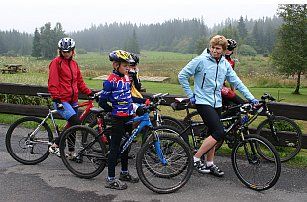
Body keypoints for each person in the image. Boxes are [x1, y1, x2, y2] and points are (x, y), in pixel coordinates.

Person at [178, 35, 258, 177]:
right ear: (210, 47)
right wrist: (191, 94)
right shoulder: (200, 60)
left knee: (212, 134)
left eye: (218, 48)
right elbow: (182, 75)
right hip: (203, 101)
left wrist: (251, 98)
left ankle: (210, 163)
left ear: (223, 50)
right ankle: (196, 158)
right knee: (219, 132)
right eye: (213, 47)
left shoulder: (224, 64)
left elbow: (237, 82)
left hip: (217, 102)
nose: (215, 51)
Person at [99, 50, 148, 190]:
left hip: (128, 116)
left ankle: (124, 173)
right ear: (116, 65)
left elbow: (129, 98)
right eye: (125, 65)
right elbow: (102, 101)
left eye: (129, 65)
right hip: (117, 118)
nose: (128, 67)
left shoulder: (126, 78)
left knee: (126, 144)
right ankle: (110, 179)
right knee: (115, 148)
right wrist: (112, 111)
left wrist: (144, 101)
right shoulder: (110, 81)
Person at [48, 37, 93, 158]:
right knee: (75, 121)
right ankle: (56, 144)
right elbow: (53, 82)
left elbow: (79, 82)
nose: (66, 54)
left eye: (68, 51)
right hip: (61, 100)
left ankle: (71, 152)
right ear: (60, 51)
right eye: (64, 51)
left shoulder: (74, 64)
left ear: (73, 51)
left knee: (72, 125)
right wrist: (56, 98)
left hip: (73, 100)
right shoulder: (56, 63)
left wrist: (89, 92)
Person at [222, 38, 245, 105]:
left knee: (233, 104)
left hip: (223, 86)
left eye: (231, 49)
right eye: (227, 48)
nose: (228, 51)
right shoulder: (218, 59)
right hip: (217, 87)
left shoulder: (232, 62)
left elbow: (231, 78)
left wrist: (233, 91)